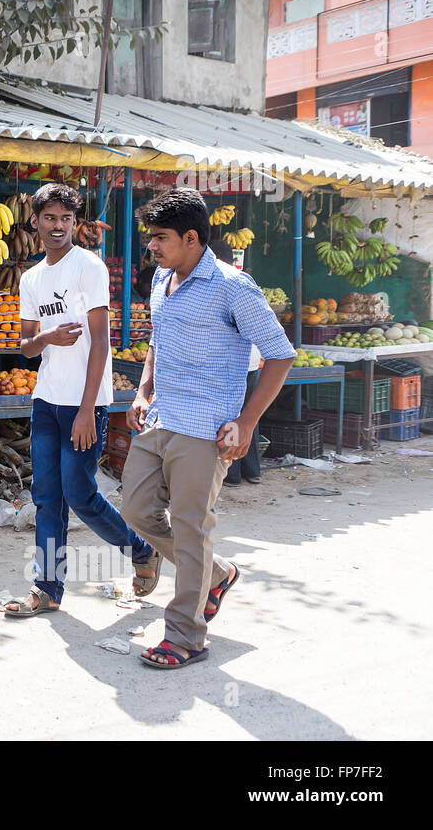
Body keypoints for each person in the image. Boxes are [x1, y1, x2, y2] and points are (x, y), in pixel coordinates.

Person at [124, 189, 295, 669]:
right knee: (136, 511)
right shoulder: (162, 278)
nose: (152, 247)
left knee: (190, 527)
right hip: (162, 417)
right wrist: (143, 390)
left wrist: (246, 422)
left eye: (160, 238)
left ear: (192, 238)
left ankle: (185, 636)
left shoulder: (233, 287)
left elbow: (281, 354)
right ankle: (216, 575)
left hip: (206, 427)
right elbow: (160, 336)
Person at [3, 183, 159, 618]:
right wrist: (47, 337)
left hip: (83, 402)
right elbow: (26, 348)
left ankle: (141, 550)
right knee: (46, 496)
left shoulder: (88, 267)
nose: (57, 226)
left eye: (66, 219)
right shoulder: (32, 278)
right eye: (49, 218)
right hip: (46, 401)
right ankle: (47, 589)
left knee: (81, 493)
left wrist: (89, 409)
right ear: (35, 221)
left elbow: (101, 344)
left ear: (75, 224)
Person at [209, 238, 263, 486]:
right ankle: (253, 471)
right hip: (251, 362)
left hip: (235, 365)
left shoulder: (227, 284)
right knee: (247, 418)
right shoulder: (243, 281)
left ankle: (231, 473)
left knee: (231, 418)